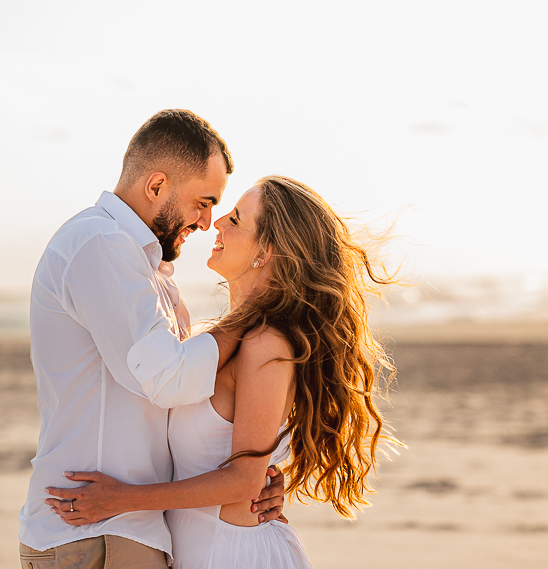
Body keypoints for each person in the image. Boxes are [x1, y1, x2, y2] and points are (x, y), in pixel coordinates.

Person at [46, 176, 400, 568]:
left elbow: (244, 480)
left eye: (235, 219)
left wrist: (121, 499)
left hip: (234, 554)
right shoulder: (222, 340)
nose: (216, 223)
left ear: (265, 251)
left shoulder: (267, 344)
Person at [18, 111, 285, 569]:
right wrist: (248, 315)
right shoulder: (100, 244)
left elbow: (184, 417)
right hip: (94, 532)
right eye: (202, 202)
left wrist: (257, 478)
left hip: (124, 530)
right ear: (157, 185)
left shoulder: (144, 265)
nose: (208, 222)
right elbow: (168, 378)